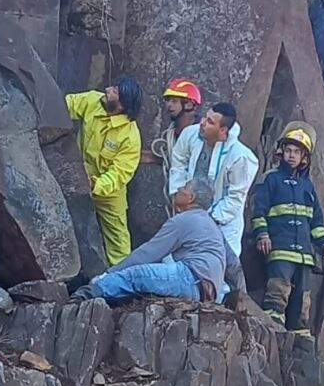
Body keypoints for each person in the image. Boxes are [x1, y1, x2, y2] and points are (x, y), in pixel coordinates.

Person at [70, 178, 246, 303]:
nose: (178, 190)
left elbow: (148, 253)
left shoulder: (183, 220)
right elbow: (233, 264)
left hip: (190, 277)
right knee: (138, 286)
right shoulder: (210, 224)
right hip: (206, 289)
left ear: (190, 198)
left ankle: (86, 294)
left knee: (135, 276)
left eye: (184, 187)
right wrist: (238, 298)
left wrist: (108, 273)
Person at [250, 122, 324, 335]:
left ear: (304, 158)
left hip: (304, 255)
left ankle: (301, 346)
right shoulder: (271, 179)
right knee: (277, 293)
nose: (291, 155)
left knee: (302, 302)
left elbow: (316, 220)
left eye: (297, 152)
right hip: (280, 249)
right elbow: (258, 210)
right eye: (288, 150)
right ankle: (272, 335)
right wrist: (262, 234)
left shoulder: (308, 187)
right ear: (281, 152)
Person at [66, 77, 143, 265]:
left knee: (117, 238)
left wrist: (96, 185)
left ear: (122, 105)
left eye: (115, 91)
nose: (108, 89)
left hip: (108, 192)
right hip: (77, 176)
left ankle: (121, 277)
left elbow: (120, 174)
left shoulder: (130, 138)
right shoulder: (93, 100)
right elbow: (65, 106)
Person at [168, 102, 259, 256]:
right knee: (176, 261)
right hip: (187, 214)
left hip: (223, 225)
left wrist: (208, 219)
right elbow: (178, 162)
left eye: (210, 122)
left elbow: (235, 198)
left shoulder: (242, 157)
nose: (202, 123)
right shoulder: (190, 134)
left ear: (223, 130)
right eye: (205, 117)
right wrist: (179, 193)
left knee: (219, 270)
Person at [150, 78, 203, 217]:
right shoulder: (172, 133)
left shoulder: (201, 134)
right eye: (168, 101)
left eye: (174, 101)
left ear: (189, 104)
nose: (169, 105)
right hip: (179, 197)